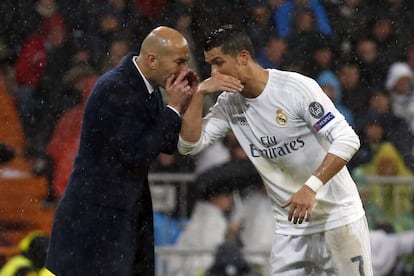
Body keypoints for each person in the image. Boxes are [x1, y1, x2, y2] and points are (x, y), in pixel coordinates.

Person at [178, 24, 373, 275]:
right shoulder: (228, 104)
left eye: (218, 63)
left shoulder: (295, 89)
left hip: (337, 220)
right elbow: (189, 145)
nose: (214, 73)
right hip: (290, 231)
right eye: (209, 66)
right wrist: (199, 92)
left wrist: (310, 187)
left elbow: (348, 139)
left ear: (243, 57)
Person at [46, 26, 198, 275]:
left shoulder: (146, 88)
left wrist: (181, 105)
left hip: (122, 215)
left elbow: (167, 145)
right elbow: (135, 153)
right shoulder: (116, 88)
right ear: (152, 60)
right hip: (95, 219)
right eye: (179, 62)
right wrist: (172, 109)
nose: (185, 70)